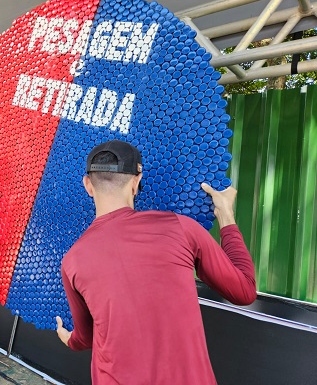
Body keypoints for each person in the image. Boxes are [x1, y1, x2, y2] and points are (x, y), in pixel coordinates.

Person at [55, 140, 256, 385]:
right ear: (136, 183)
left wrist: (69, 339)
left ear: (88, 185)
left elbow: (85, 338)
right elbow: (244, 291)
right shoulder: (180, 227)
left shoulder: (72, 261)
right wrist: (226, 215)